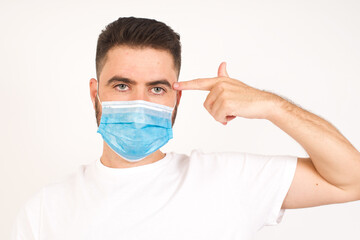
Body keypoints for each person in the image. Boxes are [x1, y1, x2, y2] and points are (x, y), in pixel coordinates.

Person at [12, 16, 360, 240]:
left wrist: (274, 106)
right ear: (95, 93)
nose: (139, 102)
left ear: (176, 99)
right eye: (122, 86)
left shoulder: (228, 180)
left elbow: (351, 179)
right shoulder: (45, 212)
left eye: (157, 88)